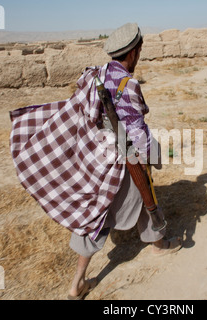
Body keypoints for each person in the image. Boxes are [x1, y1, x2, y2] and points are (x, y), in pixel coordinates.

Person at [67, 23, 182, 300]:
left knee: (100, 212)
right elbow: (137, 127)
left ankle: (78, 283)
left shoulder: (96, 73)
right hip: (124, 157)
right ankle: (159, 244)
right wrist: (149, 159)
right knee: (143, 194)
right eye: (139, 51)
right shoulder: (127, 84)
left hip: (99, 156)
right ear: (133, 53)